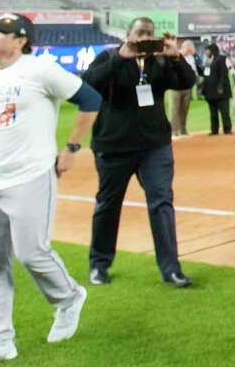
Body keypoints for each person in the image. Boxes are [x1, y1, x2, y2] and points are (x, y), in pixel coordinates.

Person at [0, 14, 102, 367]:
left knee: (31, 253)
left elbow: (90, 99)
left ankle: (69, 298)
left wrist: (71, 149)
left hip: (30, 177)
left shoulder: (40, 69)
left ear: (21, 39)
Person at [82, 16, 196, 288]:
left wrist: (175, 57)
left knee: (162, 204)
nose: (144, 38)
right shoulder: (109, 57)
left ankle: (171, 269)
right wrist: (121, 58)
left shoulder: (159, 61)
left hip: (154, 147)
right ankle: (99, 264)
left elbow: (187, 82)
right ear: (128, 34)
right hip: (114, 146)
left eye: (149, 33)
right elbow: (88, 84)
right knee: (108, 206)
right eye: (139, 33)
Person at [168, 40, 198, 138]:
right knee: (174, 110)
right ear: (185, 48)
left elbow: (193, 71)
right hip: (176, 88)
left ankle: (183, 130)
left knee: (184, 110)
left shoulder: (190, 58)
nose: (190, 51)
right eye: (189, 49)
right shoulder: (175, 56)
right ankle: (173, 132)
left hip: (187, 88)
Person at [200, 43, 233, 136]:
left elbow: (224, 74)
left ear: (212, 50)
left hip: (221, 91)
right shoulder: (207, 61)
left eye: (208, 50)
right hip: (210, 91)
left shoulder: (221, 59)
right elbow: (206, 75)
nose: (206, 52)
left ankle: (227, 129)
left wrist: (221, 86)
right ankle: (214, 130)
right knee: (213, 112)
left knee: (224, 111)